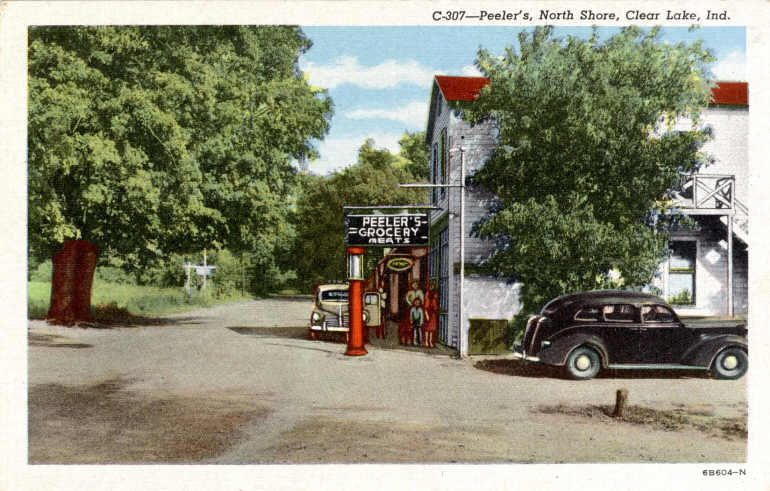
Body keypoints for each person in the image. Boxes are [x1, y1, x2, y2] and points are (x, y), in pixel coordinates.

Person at [423, 280, 438, 348]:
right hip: (428, 312)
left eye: (433, 286)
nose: (431, 287)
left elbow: (435, 305)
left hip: (433, 313)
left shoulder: (435, 295)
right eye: (430, 286)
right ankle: (426, 341)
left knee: (431, 329)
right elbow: (426, 306)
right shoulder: (427, 294)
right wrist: (426, 314)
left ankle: (430, 341)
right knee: (427, 329)